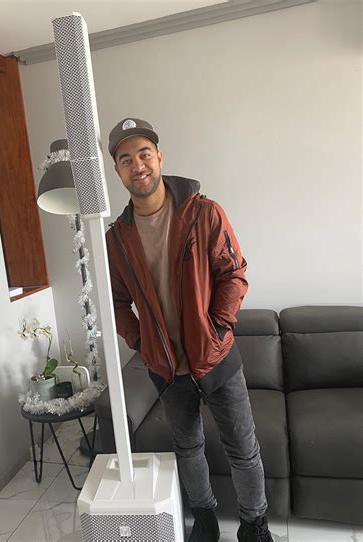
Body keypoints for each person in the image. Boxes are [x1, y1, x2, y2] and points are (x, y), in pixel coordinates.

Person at [105, 118, 273, 542]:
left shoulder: (203, 213)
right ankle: (205, 519)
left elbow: (233, 274)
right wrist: (141, 341)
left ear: (159, 157)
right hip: (167, 368)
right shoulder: (118, 238)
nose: (137, 165)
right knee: (188, 447)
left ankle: (254, 527)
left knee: (243, 450)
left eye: (144, 154)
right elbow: (116, 301)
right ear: (118, 171)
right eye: (125, 159)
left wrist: (217, 328)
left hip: (216, 357)